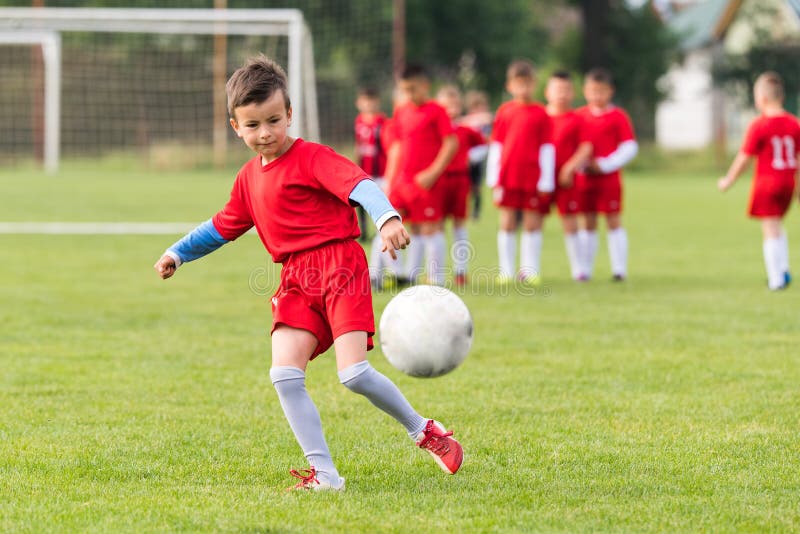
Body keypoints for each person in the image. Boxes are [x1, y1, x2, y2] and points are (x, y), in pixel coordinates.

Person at [152, 56, 463, 491]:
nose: (265, 133)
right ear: (235, 127)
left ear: (290, 114)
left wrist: (387, 218)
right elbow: (221, 226)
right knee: (283, 374)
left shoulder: (312, 157)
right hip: (296, 280)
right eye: (253, 125)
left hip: (340, 266)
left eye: (274, 120)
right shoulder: (246, 180)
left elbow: (362, 186)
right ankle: (326, 475)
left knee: (353, 375)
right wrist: (178, 253)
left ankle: (425, 430)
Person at [718, 71, 800, 290]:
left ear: (761, 98)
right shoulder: (794, 124)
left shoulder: (760, 124)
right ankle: (783, 269)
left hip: (767, 183)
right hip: (787, 183)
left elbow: (744, 157)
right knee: (778, 225)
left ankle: (776, 279)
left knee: (769, 228)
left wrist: (728, 180)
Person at [486, 59, 555, 285]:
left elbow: (547, 147)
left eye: (527, 84)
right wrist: (493, 178)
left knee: (531, 222)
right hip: (508, 177)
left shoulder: (541, 113)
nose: (523, 88)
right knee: (506, 222)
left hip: (533, 177)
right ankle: (506, 271)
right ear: (510, 86)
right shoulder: (504, 111)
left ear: (534, 84)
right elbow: (497, 145)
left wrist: (546, 180)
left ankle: (530, 270)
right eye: (519, 84)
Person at [388, 64, 458, 285]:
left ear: (425, 86)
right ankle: (404, 274)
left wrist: (433, 172)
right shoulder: (401, 110)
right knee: (393, 222)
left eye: (412, 89)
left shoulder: (436, 110)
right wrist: (391, 178)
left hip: (427, 181)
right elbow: (397, 146)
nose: (408, 94)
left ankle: (436, 278)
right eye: (404, 90)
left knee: (429, 227)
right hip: (403, 181)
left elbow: (451, 142)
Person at [574, 68, 638, 281]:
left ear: (610, 91)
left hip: (608, 178)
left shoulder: (618, 116)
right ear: (585, 91)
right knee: (587, 222)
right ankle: (585, 270)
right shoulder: (579, 116)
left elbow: (629, 147)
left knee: (613, 220)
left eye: (601, 91)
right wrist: (580, 164)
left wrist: (605, 165)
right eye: (593, 91)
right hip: (584, 179)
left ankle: (619, 269)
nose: (597, 96)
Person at [544, 71, 594, 281]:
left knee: (571, 221)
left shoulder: (577, 119)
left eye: (566, 90)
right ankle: (528, 271)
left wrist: (569, 168)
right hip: (542, 178)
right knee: (533, 222)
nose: (561, 94)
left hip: (566, 178)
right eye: (557, 89)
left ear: (572, 93)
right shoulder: (540, 116)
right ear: (547, 92)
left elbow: (586, 147)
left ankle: (579, 269)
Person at [437, 84, 486, 286]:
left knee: (459, 225)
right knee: (436, 227)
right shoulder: (435, 131)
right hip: (438, 181)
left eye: (455, 105)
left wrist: (469, 157)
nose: (451, 110)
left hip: (459, 181)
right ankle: (436, 272)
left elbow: (484, 146)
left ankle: (461, 271)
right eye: (446, 106)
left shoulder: (465, 130)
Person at [353, 87, 388, 243]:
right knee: (361, 201)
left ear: (377, 103)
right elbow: (359, 144)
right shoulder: (359, 120)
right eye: (365, 101)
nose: (368, 105)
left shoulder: (383, 121)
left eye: (371, 101)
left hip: (381, 170)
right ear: (358, 103)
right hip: (365, 169)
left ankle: (381, 231)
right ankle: (364, 231)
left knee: (380, 202)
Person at [461, 90, 494, 220]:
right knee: (468, 185)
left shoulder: (484, 120)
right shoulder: (469, 121)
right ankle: (468, 209)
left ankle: (476, 211)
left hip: (479, 156)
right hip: (469, 157)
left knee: (477, 186)